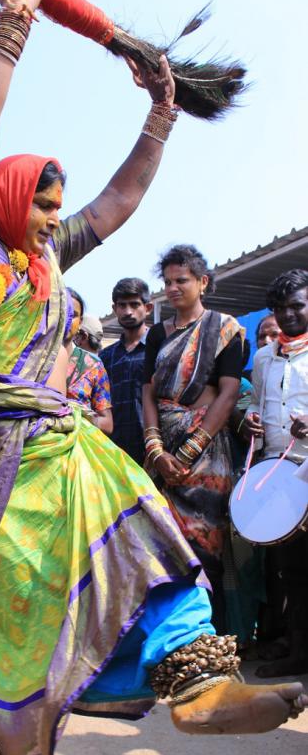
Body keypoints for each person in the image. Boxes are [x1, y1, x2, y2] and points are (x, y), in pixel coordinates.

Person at [0, 0, 306, 755]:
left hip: (55, 449)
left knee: (145, 532)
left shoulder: (51, 266)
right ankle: (12, 741)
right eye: (41, 204)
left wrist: (160, 116)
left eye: (55, 207)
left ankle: (196, 684)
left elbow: (118, 202)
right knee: (22, 607)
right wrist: (10, 30)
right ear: (7, 201)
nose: (52, 218)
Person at [142, 244, 244, 631]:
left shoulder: (225, 329)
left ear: (202, 282)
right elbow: (148, 392)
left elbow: (229, 393)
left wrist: (189, 450)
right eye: (167, 281)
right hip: (161, 450)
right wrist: (155, 449)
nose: (172, 288)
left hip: (206, 451)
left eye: (181, 280)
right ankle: (176, 642)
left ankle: (211, 642)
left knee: (206, 549)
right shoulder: (157, 333)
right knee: (164, 551)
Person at [243, 269, 308, 677]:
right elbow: (259, 405)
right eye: (281, 308)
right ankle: (298, 652)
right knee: (292, 570)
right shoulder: (264, 358)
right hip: (280, 475)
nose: (289, 314)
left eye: (297, 305)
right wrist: (249, 420)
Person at [100, 278, 153, 465]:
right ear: (115, 309)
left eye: (134, 304)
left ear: (148, 308)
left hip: (154, 451)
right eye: (122, 305)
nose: (128, 311)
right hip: (115, 452)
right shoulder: (105, 357)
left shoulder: (161, 348)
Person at [66, 289, 113, 434]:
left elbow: (107, 423)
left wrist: (76, 415)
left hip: (78, 449)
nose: (66, 318)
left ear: (79, 322)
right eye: (60, 310)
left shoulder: (93, 366)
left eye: (72, 315)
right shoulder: (30, 357)